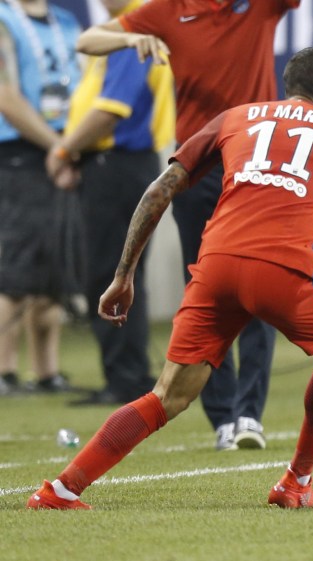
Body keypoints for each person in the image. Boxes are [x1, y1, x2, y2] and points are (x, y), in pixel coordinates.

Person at [26, 47, 313, 510]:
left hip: (214, 265)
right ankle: (296, 482)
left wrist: (124, 275)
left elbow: (160, 190)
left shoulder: (235, 117)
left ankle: (61, 489)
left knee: (167, 395)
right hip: (283, 268)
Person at [74, 0, 299, 449]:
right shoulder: (165, 11)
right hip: (198, 165)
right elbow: (87, 40)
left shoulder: (258, 7)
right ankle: (222, 418)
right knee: (205, 289)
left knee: (262, 285)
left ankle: (248, 414)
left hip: (255, 162)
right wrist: (128, 37)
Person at [45, 0, 175, 406]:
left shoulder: (133, 28)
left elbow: (111, 110)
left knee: (110, 273)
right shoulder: (121, 27)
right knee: (116, 271)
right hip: (115, 165)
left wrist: (64, 150)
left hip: (119, 166)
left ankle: (126, 379)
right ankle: (127, 374)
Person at [0, 0, 82, 395]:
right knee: (16, 269)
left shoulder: (65, 20)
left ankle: (46, 372)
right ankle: (3, 370)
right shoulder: (3, 18)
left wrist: (70, 146)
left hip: (63, 147)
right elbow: (4, 94)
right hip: (22, 151)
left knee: (53, 271)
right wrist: (57, 146)